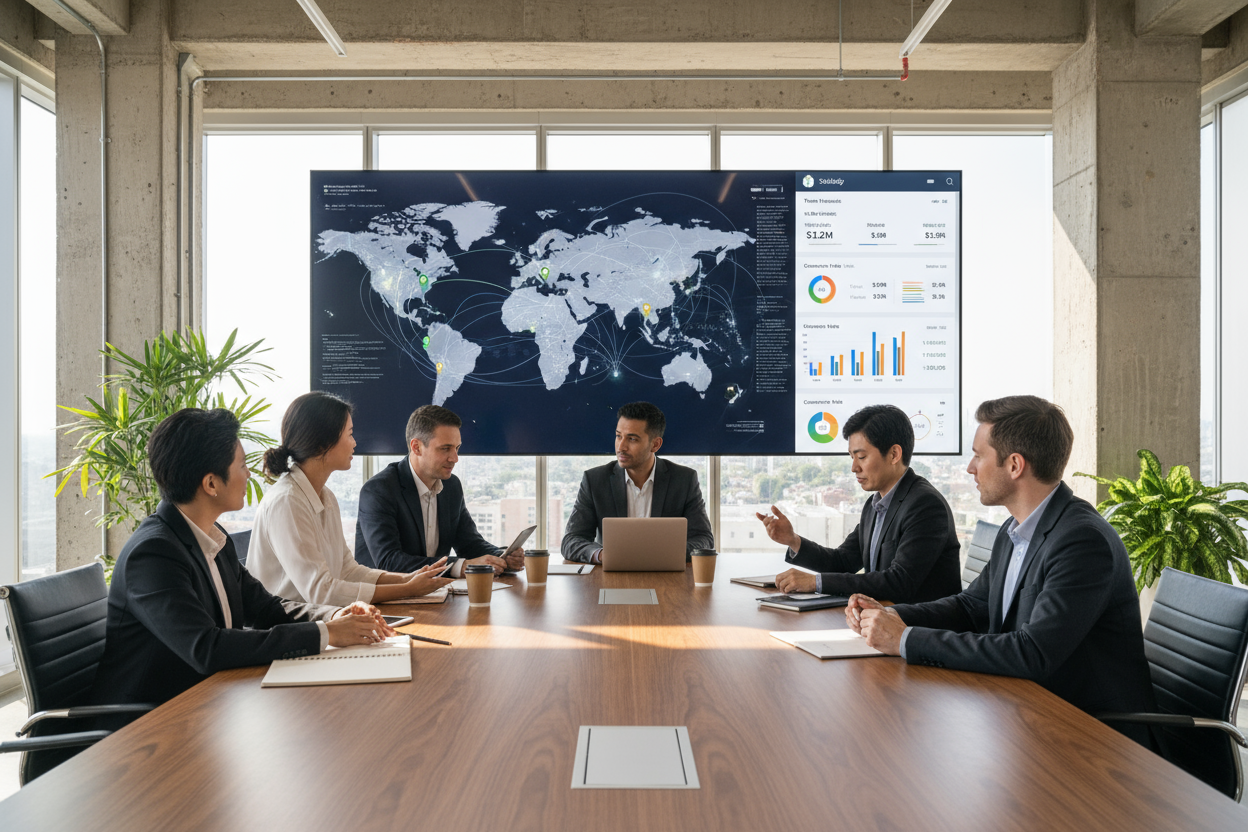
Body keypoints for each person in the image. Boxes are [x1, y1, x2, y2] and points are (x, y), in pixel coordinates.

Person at [849, 396, 1156, 742]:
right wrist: (891, 615)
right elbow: (971, 606)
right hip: (1026, 712)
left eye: (979, 456)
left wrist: (905, 638)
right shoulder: (1015, 531)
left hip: (1092, 734)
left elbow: (1032, 652)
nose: (970, 468)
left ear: (1014, 465)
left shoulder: (1082, 542)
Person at [89, 408, 396, 709]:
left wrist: (332, 617)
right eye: (241, 466)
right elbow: (207, 648)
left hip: (212, 702)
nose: (249, 474)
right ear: (211, 484)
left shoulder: (212, 537)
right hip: (149, 723)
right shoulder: (154, 555)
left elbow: (266, 608)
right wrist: (326, 634)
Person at [248, 392, 454, 606]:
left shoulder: (325, 496)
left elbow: (347, 570)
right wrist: (406, 590)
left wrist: (408, 579)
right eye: (349, 434)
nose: (354, 443)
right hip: (286, 629)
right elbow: (322, 592)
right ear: (322, 444)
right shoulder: (287, 501)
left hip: (319, 620)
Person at [756, 404, 961, 604]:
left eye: (861, 456)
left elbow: (899, 582)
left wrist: (816, 582)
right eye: (852, 456)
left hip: (920, 629)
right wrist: (793, 540)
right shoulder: (876, 504)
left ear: (894, 454)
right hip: (882, 620)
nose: (854, 467)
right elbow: (843, 562)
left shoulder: (925, 505)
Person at [355, 405, 522, 576]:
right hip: (383, 598)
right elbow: (389, 562)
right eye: (445, 448)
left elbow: (469, 544)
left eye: (457, 448)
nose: (455, 458)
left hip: (433, 594)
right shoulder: (379, 490)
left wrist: (501, 557)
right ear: (416, 447)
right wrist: (461, 566)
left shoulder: (451, 486)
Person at [562, 401, 713, 564]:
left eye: (632, 439)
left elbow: (703, 539)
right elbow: (571, 540)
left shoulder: (684, 480)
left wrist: (660, 554)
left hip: (666, 577)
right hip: (611, 577)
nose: (621, 447)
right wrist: (601, 555)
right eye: (618, 436)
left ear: (655, 444)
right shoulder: (595, 480)